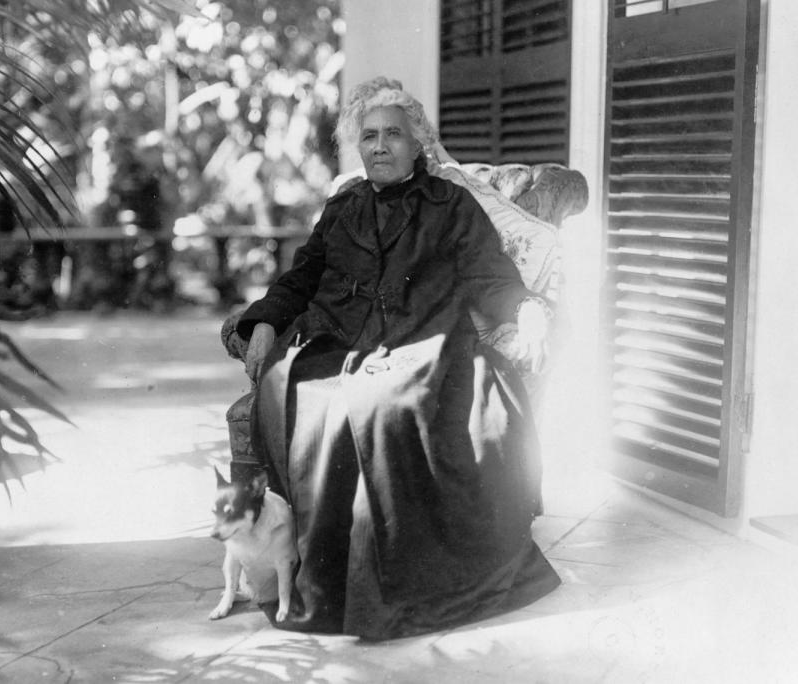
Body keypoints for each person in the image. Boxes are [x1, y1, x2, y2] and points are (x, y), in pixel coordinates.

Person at [232, 76, 561, 639]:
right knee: (294, 390)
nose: (380, 146)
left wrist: (526, 308)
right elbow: (304, 274)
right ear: (357, 147)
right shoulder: (344, 205)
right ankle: (317, 577)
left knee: (380, 405)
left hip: (424, 340)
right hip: (341, 337)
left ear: (418, 144)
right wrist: (265, 319)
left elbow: (489, 276)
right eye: (369, 137)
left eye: (393, 135)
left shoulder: (451, 203)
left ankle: (395, 591)